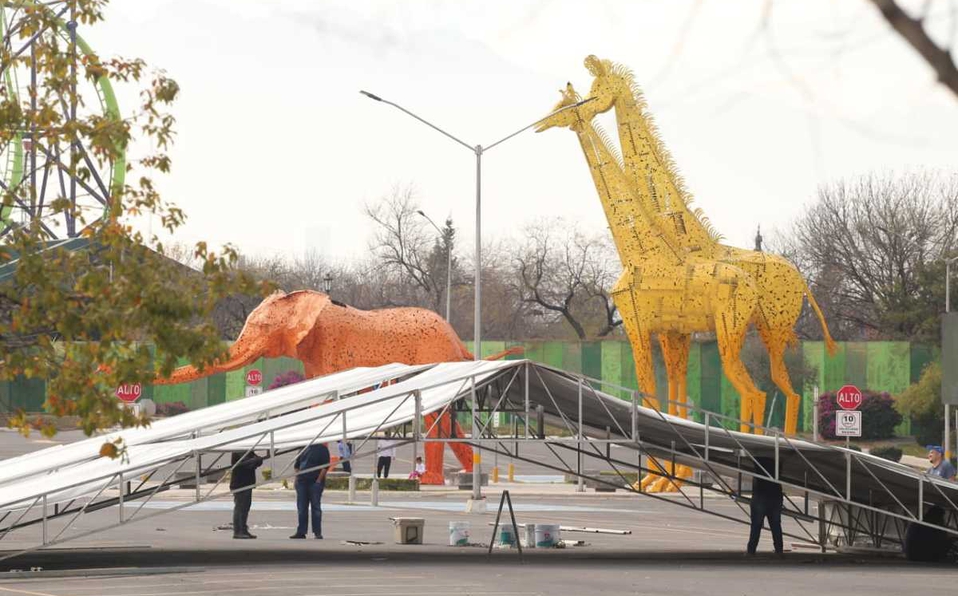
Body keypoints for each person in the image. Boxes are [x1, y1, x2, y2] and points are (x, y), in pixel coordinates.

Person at [290, 442, 330, 539]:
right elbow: (297, 466)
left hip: (314, 481)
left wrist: (318, 481)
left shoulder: (322, 449)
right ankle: (301, 531)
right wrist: (297, 479)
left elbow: (325, 467)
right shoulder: (303, 448)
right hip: (302, 482)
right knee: (302, 507)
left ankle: (317, 532)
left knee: (316, 507)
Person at [746, 457, 784, 556]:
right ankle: (779, 550)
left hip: (761, 495)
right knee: (776, 525)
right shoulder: (777, 459)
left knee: (756, 525)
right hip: (775, 496)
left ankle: (751, 550)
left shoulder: (758, 459)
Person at [230, 450, 264, 539]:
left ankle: (243, 529)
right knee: (240, 508)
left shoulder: (249, 451)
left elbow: (258, 460)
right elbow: (246, 463)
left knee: (245, 508)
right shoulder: (240, 451)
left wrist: (255, 460)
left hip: (247, 483)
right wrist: (255, 461)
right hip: (240, 483)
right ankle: (238, 531)